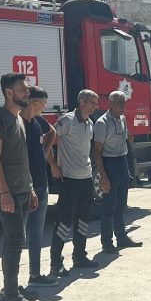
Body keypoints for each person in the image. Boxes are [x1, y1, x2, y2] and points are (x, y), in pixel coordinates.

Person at [0, 73, 40, 301]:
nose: (27, 92)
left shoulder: (17, 118)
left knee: (13, 240)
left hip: (21, 190)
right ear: (9, 92)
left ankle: (11, 287)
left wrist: (30, 188)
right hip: (7, 194)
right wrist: (4, 192)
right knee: (16, 241)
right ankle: (10, 297)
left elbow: (21, 158)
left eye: (26, 89)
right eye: (22, 89)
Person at [48, 89, 101, 276]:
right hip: (69, 180)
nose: (96, 106)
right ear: (82, 102)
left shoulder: (90, 123)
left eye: (96, 103)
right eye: (92, 103)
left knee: (83, 220)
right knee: (64, 221)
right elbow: (47, 138)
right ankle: (56, 263)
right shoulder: (68, 120)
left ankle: (79, 256)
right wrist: (53, 165)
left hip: (86, 179)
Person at [20, 86, 60, 298]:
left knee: (36, 232)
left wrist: (44, 155)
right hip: (25, 187)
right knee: (17, 236)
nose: (44, 109)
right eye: (43, 105)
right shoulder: (18, 124)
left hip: (41, 183)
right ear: (34, 103)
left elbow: (52, 133)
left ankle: (35, 274)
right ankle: (11, 284)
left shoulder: (38, 122)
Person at [93, 90, 142, 254]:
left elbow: (127, 140)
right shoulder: (102, 123)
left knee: (121, 205)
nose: (123, 106)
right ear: (110, 104)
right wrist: (103, 176)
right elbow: (97, 151)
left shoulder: (122, 119)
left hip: (122, 162)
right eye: (120, 103)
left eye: (124, 103)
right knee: (109, 207)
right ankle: (107, 242)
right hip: (109, 163)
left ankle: (122, 238)